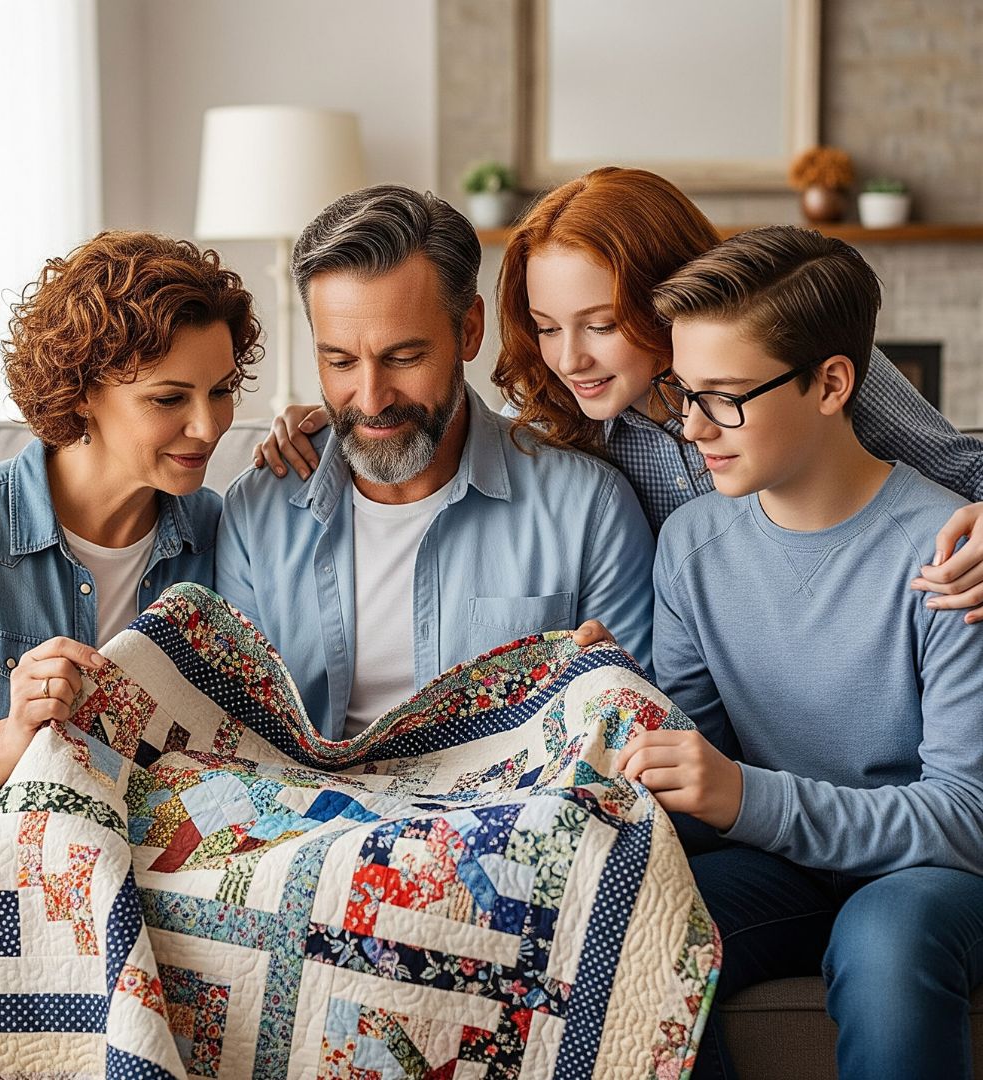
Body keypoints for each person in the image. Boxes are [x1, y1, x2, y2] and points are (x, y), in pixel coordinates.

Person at [259, 167, 983, 620]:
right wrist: (339, 414)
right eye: (545, 327)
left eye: (601, 324)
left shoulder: (797, 365)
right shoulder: (552, 409)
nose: (571, 359)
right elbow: (454, 436)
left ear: (666, 295)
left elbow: (960, 470)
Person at [618, 226, 983, 1079]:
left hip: (928, 875)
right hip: (781, 867)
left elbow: (967, 819)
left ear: (831, 382)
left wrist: (745, 796)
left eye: (728, 396)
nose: (694, 426)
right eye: (684, 391)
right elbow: (698, 769)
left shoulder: (950, 551)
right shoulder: (692, 544)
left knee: (887, 938)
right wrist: (605, 697)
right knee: (633, 916)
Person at [216, 184, 655, 741]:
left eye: (404, 358)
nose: (372, 399)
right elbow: (231, 735)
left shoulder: (587, 507)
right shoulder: (257, 511)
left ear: (468, 331)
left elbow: (630, 737)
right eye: (341, 360)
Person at [0, 230, 262, 839]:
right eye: (169, 397)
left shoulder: (220, 533)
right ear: (84, 391)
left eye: (222, 391)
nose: (208, 427)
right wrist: (16, 732)